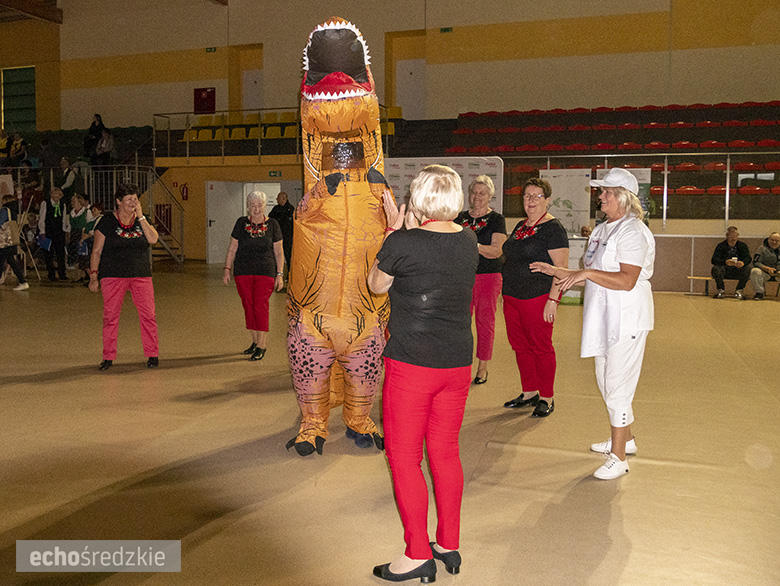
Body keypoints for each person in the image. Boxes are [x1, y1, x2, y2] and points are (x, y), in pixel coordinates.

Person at [367, 165, 478, 583]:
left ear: (417, 198)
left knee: (404, 458)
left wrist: (394, 230)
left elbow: (376, 285)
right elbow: (434, 248)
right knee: (445, 452)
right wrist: (407, 228)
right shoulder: (468, 239)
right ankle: (448, 544)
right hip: (456, 363)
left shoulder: (402, 242)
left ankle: (417, 553)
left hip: (413, 365)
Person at [531, 167, 655, 480]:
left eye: (606, 192)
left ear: (623, 198)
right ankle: (626, 438)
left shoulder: (633, 231)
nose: (600, 197)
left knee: (617, 383)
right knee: (605, 380)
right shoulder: (602, 230)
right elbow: (591, 275)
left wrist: (584, 274)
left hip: (627, 316)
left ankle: (619, 456)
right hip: (601, 315)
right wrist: (556, 272)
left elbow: (627, 280)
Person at [501, 178, 569, 417]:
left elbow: (561, 269)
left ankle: (547, 397)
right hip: (512, 297)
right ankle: (529, 392)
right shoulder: (521, 226)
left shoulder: (553, 229)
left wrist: (553, 300)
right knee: (520, 347)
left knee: (541, 348)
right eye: (526, 196)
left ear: (547, 200)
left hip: (537, 298)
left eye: (536, 196)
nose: (530, 201)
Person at [89, 184, 160, 371]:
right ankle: (108, 356)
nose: (133, 202)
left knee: (148, 315)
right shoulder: (106, 221)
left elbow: (153, 239)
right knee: (110, 316)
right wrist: (93, 276)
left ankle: (152, 354)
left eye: (135, 198)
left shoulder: (142, 220)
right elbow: (96, 251)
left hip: (141, 275)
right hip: (112, 275)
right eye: (129, 199)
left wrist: (142, 217)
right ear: (118, 202)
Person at [455, 175, 506, 384]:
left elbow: (496, 251)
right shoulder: (459, 218)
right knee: (460, 323)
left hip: (488, 277)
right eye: (474, 192)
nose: (477, 196)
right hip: (462, 278)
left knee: (485, 323)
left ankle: (482, 367)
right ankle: (460, 364)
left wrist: (473, 247)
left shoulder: (497, 220)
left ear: (490, 196)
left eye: (482, 193)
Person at [223, 191, 284, 361]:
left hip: (265, 271)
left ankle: (262, 345)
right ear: (248, 206)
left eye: (259, 205)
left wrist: (280, 274)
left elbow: (279, 252)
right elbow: (232, 248)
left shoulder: (273, 224)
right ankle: (255, 342)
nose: (256, 209)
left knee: (260, 306)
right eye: (252, 205)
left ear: (265, 206)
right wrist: (227, 268)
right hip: (243, 272)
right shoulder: (241, 223)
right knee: (248, 306)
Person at [38, 187, 70, 281]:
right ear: (51, 195)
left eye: (58, 194)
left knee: (60, 253)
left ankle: (62, 273)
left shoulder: (62, 205)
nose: (56, 196)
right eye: (54, 194)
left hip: (59, 232)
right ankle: (51, 274)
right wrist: (42, 231)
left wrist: (65, 230)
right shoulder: (45, 203)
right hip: (48, 232)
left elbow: (63, 219)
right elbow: (42, 218)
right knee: (49, 254)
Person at [711, 226, 751, 299]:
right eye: (731, 235)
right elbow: (714, 260)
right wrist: (725, 262)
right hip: (725, 270)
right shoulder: (721, 246)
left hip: (738, 270)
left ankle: (739, 290)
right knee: (716, 268)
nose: (733, 238)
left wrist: (742, 263)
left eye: (735, 235)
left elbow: (748, 258)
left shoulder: (742, 246)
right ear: (727, 235)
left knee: (747, 269)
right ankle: (720, 290)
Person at [0, 194, 29, 290]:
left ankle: (22, 281)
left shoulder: (5, 210)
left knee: (9, 260)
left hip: (4, 241)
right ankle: (22, 281)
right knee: (5, 259)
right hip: (11, 239)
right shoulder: (13, 211)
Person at [267, 191, 294, 277]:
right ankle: (274, 273)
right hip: (277, 237)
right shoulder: (275, 209)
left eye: (278, 198)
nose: (277, 200)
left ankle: (290, 274)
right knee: (275, 255)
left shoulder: (290, 209)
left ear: (284, 199)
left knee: (289, 256)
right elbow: (270, 220)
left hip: (288, 237)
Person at [68, 194, 93, 277]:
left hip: (83, 235)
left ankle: (86, 276)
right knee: (75, 255)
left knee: (83, 256)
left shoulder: (86, 211)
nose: (73, 203)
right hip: (74, 235)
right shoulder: (72, 212)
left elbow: (90, 225)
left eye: (74, 201)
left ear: (79, 202)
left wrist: (87, 235)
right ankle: (79, 275)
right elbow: (69, 226)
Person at [750, 231, 780, 300]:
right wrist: (767, 269)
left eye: (776, 241)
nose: (774, 242)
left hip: (778, 273)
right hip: (765, 273)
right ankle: (759, 293)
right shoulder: (761, 249)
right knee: (754, 271)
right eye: (772, 240)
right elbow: (756, 262)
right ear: (768, 239)